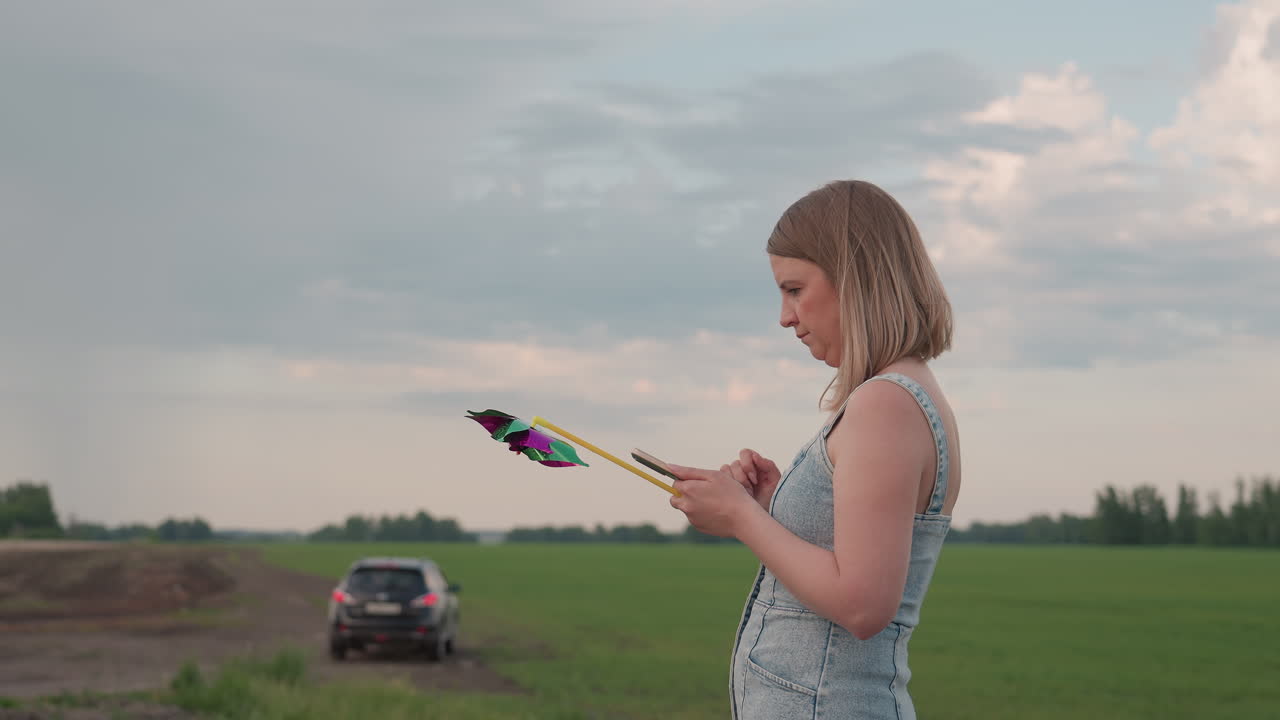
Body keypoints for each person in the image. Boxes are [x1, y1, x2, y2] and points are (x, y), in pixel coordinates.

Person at [668, 179, 961, 719]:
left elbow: (862, 604)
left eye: (795, 289)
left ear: (857, 279)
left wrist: (739, 518)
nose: (785, 316)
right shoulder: (901, 395)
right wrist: (771, 505)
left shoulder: (885, 404)